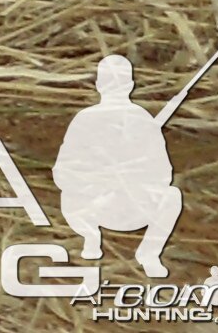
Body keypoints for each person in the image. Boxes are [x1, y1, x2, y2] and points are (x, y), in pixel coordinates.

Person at [53, 54, 185, 278]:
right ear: (131, 85)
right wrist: (98, 178)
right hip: (96, 204)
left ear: (97, 85)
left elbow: (163, 174)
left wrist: (133, 176)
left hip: (134, 206)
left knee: (171, 196)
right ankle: (91, 237)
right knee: (69, 195)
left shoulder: (140, 121)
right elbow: (63, 172)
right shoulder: (87, 119)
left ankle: (149, 253)